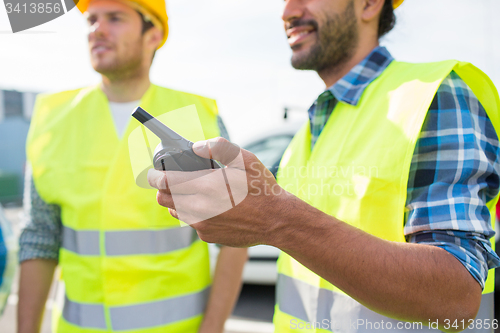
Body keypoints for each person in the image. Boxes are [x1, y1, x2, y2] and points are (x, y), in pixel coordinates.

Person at [148, 0, 500, 332]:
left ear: (369, 3)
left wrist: (277, 219)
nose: (288, 11)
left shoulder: (434, 94)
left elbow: (456, 296)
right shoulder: (307, 133)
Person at [17, 0, 248, 332]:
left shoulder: (197, 118)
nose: (97, 29)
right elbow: (39, 236)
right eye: (91, 19)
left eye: (115, 18)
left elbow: (235, 236)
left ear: (153, 34)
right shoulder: (52, 120)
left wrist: (212, 327)